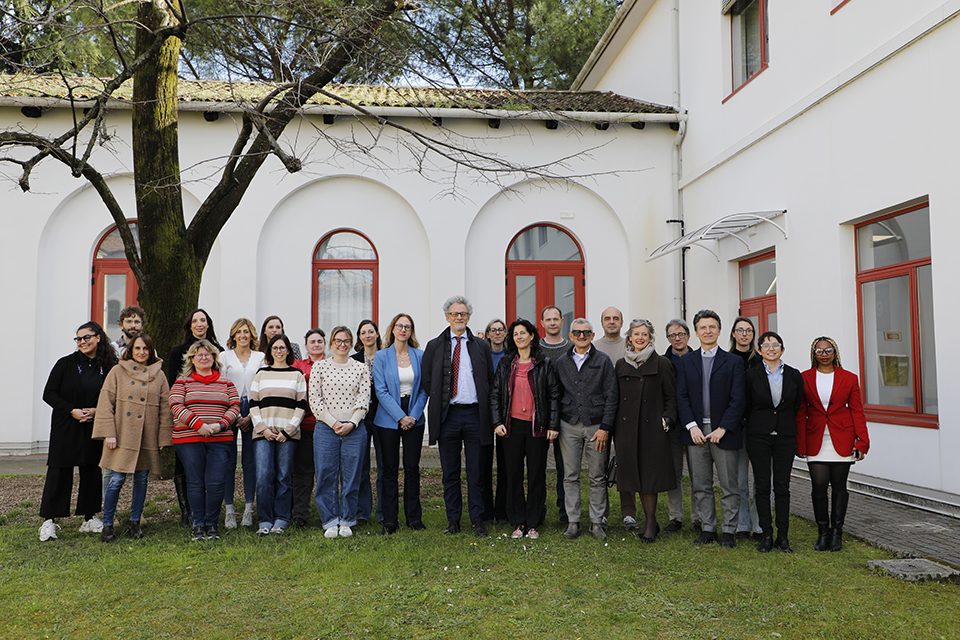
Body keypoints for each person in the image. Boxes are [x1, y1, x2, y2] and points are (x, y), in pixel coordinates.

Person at [421, 295, 495, 537]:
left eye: (463, 314)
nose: (459, 317)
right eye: (455, 314)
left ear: (469, 317)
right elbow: (428, 379)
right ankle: (453, 520)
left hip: (475, 415)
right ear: (447, 317)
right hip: (448, 416)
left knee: (476, 471)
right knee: (450, 472)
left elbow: (489, 379)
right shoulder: (434, 346)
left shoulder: (481, 345)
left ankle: (478, 519)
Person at [38, 321, 118, 542]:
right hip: (66, 424)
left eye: (87, 337)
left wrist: (97, 411)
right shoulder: (65, 364)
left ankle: (89, 517)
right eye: (79, 338)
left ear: (98, 337)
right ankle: (49, 521)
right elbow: (49, 394)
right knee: (59, 471)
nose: (82, 342)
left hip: (93, 425)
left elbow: (114, 396)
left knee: (91, 470)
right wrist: (71, 410)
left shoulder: (109, 366)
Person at [675, 309, 745, 548]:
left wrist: (723, 427)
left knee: (729, 486)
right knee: (700, 485)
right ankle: (707, 529)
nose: (707, 331)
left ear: (719, 330)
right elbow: (681, 396)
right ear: (696, 332)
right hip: (695, 434)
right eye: (703, 327)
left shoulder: (733, 362)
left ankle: (729, 531)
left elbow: (738, 399)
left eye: (712, 327)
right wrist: (692, 426)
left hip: (723, 434)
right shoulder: (686, 361)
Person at [92, 334, 173, 542]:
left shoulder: (159, 375)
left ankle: (135, 522)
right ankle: (108, 524)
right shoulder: (117, 371)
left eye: (145, 349)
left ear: (151, 351)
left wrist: (163, 437)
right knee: (116, 479)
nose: (141, 352)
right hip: (121, 434)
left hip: (147, 435)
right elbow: (105, 403)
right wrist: (109, 432)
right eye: (137, 348)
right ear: (130, 350)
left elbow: (165, 409)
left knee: (142, 479)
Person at [797, 336, 869, 552]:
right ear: (814, 354)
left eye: (828, 350)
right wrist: (800, 443)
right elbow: (800, 413)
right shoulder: (804, 378)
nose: (824, 355)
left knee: (839, 487)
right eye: (819, 351)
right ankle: (823, 532)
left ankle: (837, 533)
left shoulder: (850, 378)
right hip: (815, 438)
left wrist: (862, 441)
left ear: (835, 352)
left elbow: (857, 411)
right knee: (818, 487)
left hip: (842, 437)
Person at [490, 318, 560, 540]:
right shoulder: (505, 364)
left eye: (523, 333)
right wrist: (497, 422)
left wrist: (553, 425)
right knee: (513, 475)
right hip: (511, 426)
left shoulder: (543, 363)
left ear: (531, 336)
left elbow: (553, 395)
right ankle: (518, 522)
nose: (519, 337)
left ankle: (533, 523)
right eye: (515, 334)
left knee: (536, 474)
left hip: (536, 427)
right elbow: (495, 394)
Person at [169, 339, 240, 541]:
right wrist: (198, 424)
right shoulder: (182, 382)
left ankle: (212, 524)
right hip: (189, 439)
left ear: (214, 357)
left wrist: (220, 425)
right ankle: (198, 525)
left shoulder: (226, 383)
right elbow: (175, 405)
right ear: (191, 359)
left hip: (220, 439)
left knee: (216, 483)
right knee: (195, 482)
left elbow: (235, 406)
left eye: (208, 354)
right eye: (199, 354)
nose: (203, 357)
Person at [613, 319, 677, 542]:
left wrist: (667, 419)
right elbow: (615, 398)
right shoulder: (621, 365)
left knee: (649, 477)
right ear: (629, 337)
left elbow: (671, 397)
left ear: (650, 338)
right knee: (635, 476)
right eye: (636, 334)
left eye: (644, 334)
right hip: (627, 430)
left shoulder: (662, 363)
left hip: (653, 431)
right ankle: (651, 522)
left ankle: (650, 522)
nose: (640, 337)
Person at [555, 318, 618, 541]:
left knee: (597, 476)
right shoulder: (561, 361)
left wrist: (605, 428)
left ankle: (597, 523)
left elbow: (612, 396)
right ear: (570, 336)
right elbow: (556, 394)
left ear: (592, 335)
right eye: (577, 332)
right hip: (568, 425)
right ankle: (573, 522)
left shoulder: (603, 360)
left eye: (586, 332)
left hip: (596, 426)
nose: (582, 336)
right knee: (570, 476)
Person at [744, 331, 804, 553]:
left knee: (782, 487)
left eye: (775, 345)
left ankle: (783, 536)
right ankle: (766, 534)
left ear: (782, 349)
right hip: (759, 436)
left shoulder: (794, 375)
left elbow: (796, 405)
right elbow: (746, 405)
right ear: (759, 350)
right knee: (762, 486)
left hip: (785, 437)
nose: (771, 349)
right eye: (766, 345)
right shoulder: (751, 375)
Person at [309, 326, 370, 538]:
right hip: (326, 428)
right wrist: (334, 423)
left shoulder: (361, 368)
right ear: (331, 343)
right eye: (338, 340)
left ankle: (347, 519)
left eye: (346, 341)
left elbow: (364, 399)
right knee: (326, 475)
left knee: (351, 476)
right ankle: (329, 520)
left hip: (354, 429)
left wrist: (351, 423)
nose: (342, 344)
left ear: (351, 343)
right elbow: (315, 400)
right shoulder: (320, 367)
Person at [372, 313, 429, 533]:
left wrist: (412, 416)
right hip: (388, 417)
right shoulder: (381, 356)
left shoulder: (420, 355)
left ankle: (414, 518)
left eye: (408, 326)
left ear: (411, 331)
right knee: (389, 469)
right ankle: (390, 520)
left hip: (414, 414)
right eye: (400, 325)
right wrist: (400, 417)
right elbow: (380, 390)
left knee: (412, 468)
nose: (403, 329)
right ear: (393, 329)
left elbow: (424, 388)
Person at [166, 308, 224, 528]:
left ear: (208, 324)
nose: (199, 324)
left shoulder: (218, 351)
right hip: (186, 420)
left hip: (213, 420)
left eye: (203, 320)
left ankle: (207, 511)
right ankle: (186, 511)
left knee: (211, 468)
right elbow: (172, 384)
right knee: (184, 466)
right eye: (195, 321)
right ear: (189, 326)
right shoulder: (178, 351)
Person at [250, 334, 307, 535]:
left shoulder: (297, 374)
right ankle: (265, 520)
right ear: (270, 351)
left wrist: (288, 431)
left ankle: (281, 518)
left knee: (284, 476)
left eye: (282, 348)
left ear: (288, 351)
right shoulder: (261, 374)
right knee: (264, 477)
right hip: (263, 433)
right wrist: (263, 429)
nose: (279, 351)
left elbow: (301, 406)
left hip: (287, 435)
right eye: (275, 348)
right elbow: (253, 404)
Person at [220, 318, 265, 528]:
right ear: (233, 335)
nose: (243, 335)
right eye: (239, 332)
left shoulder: (260, 357)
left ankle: (248, 508)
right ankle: (229, 509)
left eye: (246, 331)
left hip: (254, 408)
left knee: (249, 461)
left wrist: (250, 416)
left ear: (252, 334)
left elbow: (263, 384)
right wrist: (235, 413)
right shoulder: (224, 356)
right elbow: (222, 384)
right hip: (230, 407)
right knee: (229, 461)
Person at [662, 318, 697, 534]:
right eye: (672, 335)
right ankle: (675, 517)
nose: (677, 338)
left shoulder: (698, 359)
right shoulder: (663, 362)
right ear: (668, 338)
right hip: (673, 426)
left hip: (695, 425)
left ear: (688, 336)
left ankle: (698, 518)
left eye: (681, 334)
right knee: (673, 473)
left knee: (697, 474)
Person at [730, 316, 762, 540]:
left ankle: (759, 525)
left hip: (759, 427)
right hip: (736, 427)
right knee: (740, 480)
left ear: (753, 335)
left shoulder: (762, 360)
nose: (744, 334)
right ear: (733, 334)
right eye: (740, 330)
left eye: (748, 330)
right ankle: (743, 524)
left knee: (761, 480)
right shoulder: (726, 359)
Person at [537, 305, 570, 524]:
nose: (552, 323)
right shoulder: (536, 350)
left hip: (565, 415)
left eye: (556, 319)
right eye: (548, 320)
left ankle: (565, 512)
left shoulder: (571, 348)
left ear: (562, 321)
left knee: (564, 467)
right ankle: (538, 511)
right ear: (542, 323)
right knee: (537, 467)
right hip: (539, 415)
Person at [291, 328, 325, 527]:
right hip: (304, 425)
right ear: (306, 346)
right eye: (312, 341)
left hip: (327, 427)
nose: (316, 344)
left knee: (326, 473)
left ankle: (327, 514)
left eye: (320, 341)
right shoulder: (298, 365)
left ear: (324, 344)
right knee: (303, 473)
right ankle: (300, 515)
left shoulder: (331, 364)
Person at [352, 319, 382, 526]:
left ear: (377, 334)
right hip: (360, 416)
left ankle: (383, 512)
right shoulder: (353, 360)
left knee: (384, 465)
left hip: (383, 415)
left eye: (371, 331)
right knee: (361, 465)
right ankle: (362, 512)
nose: (368, 335)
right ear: (359, 337)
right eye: (363, 333)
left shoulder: (386, 357)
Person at [484, 318, 509, 523]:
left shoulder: (511, 356)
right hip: (484, 413)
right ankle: (485, 511)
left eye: (501, 330)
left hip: (506, 413)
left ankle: (502, 510)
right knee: (484, 463)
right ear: (487, 334)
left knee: (505, 464)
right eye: (493, 330)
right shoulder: (482, 355)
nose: (497, 333)